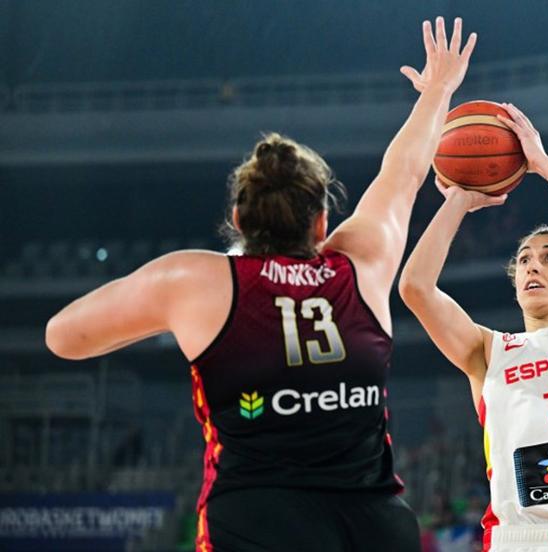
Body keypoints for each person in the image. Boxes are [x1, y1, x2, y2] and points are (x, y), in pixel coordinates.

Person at [45, 17, 477, 552]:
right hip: (372, 529)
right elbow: (404, 173)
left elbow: (62, 336)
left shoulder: (195, 282)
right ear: (322, 223)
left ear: (238, 219)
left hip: (255, 526)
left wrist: (172, 314)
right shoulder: (362, 265)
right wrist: (438, 91)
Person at [399, 102, 548, 550]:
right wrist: (458, 202)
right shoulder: (486, 350)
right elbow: (415, 286)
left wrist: (541, 164)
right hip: (519, 538)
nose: (533, 266)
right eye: (525, 260)